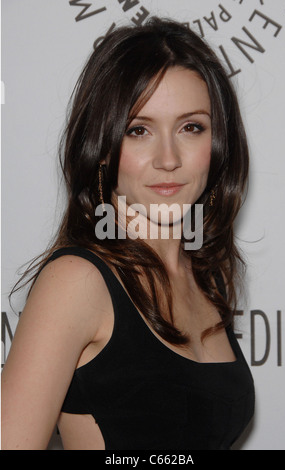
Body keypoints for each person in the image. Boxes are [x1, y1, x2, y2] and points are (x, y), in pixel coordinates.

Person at [2, 17, 255, 450]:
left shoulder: (207, 274)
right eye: (138, 130)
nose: (169, 158)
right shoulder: (77, 281)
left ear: (219, 143)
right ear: (100, 148)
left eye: (191, 127)